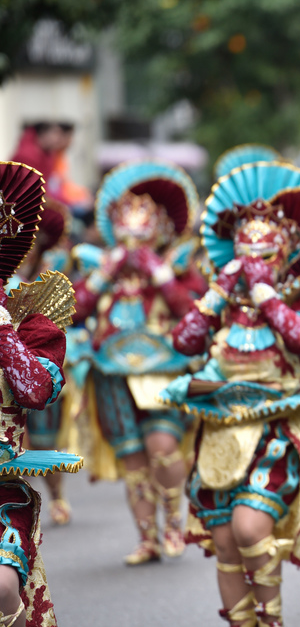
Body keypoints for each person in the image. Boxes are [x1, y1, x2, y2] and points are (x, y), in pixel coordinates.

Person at [162, 160, 300, 627]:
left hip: (273, 431)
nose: (251, 265)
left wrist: (267, 295)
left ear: (285, 256)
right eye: (244, 254)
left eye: (263, 257)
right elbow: (183, 343)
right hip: (219, 430)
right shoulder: (221, 300)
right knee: (224, 541)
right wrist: (221, 289)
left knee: (250, 528)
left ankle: (273, 620)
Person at [73, 160, 206, 565]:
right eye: (125, 226)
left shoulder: (179, 266)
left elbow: (194, 314)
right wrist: (104, 275)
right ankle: (146, 538)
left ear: (162, 228)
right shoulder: (102, 266)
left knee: (163, 447)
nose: (133, 236)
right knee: (133, 458)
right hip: (112, 372)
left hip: (163, 370)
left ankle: (172, 521)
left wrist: (160, 273)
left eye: (143, 225)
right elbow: (73, 311)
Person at [0, 160, 82, 626]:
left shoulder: (30, 318)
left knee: (3, 585)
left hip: (1, 478)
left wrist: (2, 326)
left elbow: (35, 390)